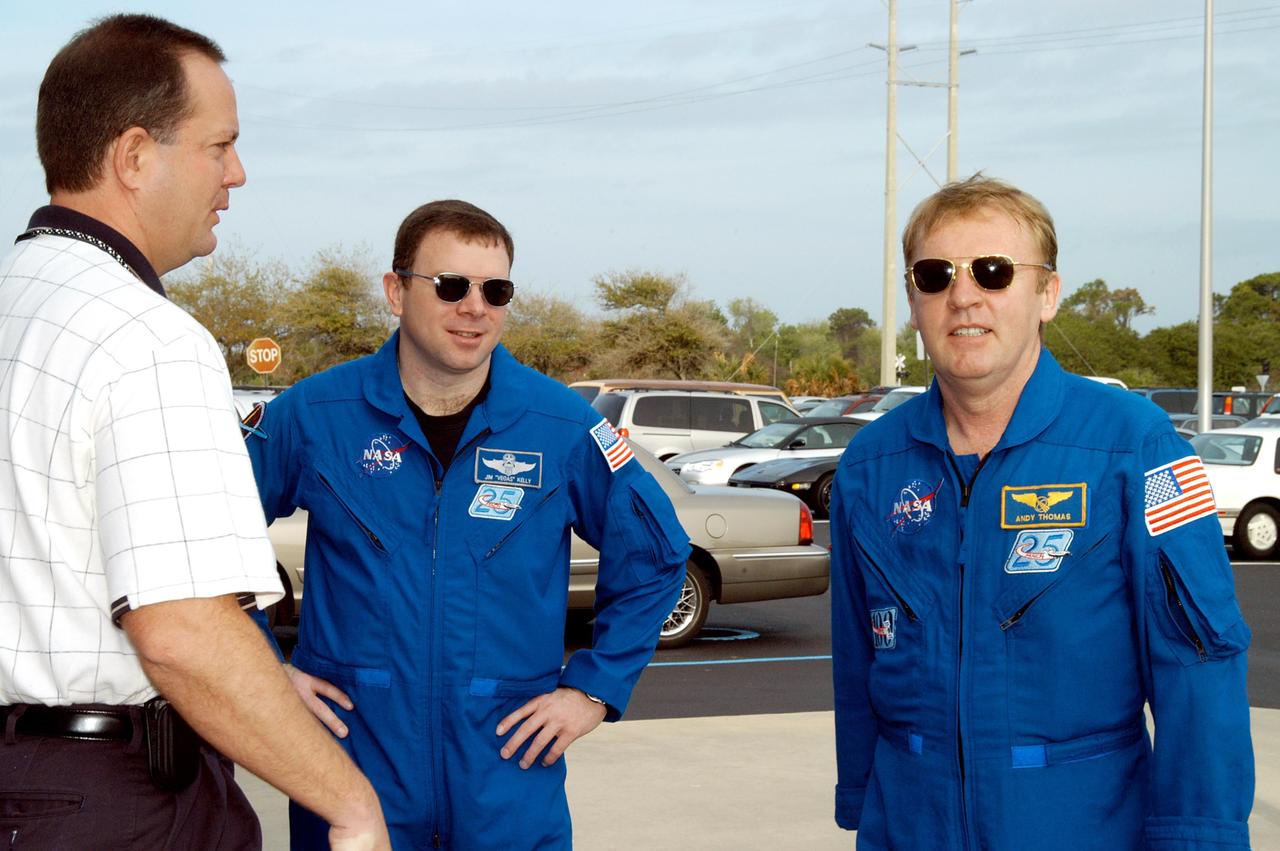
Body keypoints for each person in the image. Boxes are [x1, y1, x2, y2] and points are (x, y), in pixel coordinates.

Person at [0, 15, 388, 850]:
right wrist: (349, 805)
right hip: (112, 798)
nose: (238, 174)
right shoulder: (143, 335)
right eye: (221, 146)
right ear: (135, 156)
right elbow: (181, 630)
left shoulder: (16, 305)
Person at [242, 199, 691, 849]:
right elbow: (202, 532)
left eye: (495, 289)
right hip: (352, 786)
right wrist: (262, 667)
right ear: (396, 292)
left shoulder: (560, 426)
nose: (475, 307)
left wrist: (594, 689)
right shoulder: (315, 415)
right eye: (450, 286)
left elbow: (657, 552)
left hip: (507, 791)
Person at [829, 175, 1254, 849]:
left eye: (993, 272)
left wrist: (1200, 836)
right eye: (935, 274)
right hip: (908, 827)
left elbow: (1199, 663)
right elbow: (855, 661)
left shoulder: (1141, 448)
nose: (963, 295)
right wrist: (858, 794)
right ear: (913, 301)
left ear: (1047, 294)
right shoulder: (870, 466)